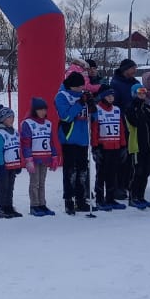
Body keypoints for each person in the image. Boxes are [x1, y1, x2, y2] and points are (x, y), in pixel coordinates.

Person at [54, 73, 91, 216]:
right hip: (69, 138)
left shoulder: (82, 94)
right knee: (70, 171)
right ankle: (69, 200)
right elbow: (66, 117)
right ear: (72, 85)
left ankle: (81, 199)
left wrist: (91, 106)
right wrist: (79, 104)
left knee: (82, 170)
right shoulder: (62, 96)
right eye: (80, 86)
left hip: (83, 138)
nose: (82, 88)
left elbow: (92, 116)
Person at [90, 85, 127, 211]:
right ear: (102, 96)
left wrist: (123, 146)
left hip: (115, 147)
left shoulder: (117, 110)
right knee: (101, 174)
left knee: (113, 174)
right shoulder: (97, 110)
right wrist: (95, 147)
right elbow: (94, 130)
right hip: (103, 147)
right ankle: (100, 199)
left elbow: (121, 129)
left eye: (112, 96)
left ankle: (110, 198)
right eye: (108, 96)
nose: (111, 98)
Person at [107, 58, 139, 198]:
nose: (134, 71)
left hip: (136, 123)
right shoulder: (116, 83)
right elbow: (115, 105)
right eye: (132, 68)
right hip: (122, 124)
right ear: (125, 69)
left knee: (132, 156)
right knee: (122, 157)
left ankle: (128, 182)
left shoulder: (135, 83)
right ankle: (118, 186)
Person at [125, 83, 150, 209]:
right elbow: (134, 122)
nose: (142, 95)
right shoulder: (131, 107)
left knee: (145, 172)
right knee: (137, 172)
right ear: (134, 94)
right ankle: (133, 197)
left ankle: (141, 196)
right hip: (136, 144)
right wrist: (141, 110)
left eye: (144, 93)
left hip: (148, 145)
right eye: (139, 93)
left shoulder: (146, 108)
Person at [0, 104, 23, 217]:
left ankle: (9, 207)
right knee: (3, 187)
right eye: (9, 117)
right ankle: (3, 209)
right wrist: (0, 166)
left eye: (13, 117)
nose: (12, 119)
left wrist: (19, 163)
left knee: (10, 187)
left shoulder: (15, 132)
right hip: (3, 166)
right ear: (3, 119)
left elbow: (17, 148)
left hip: (13, 165)